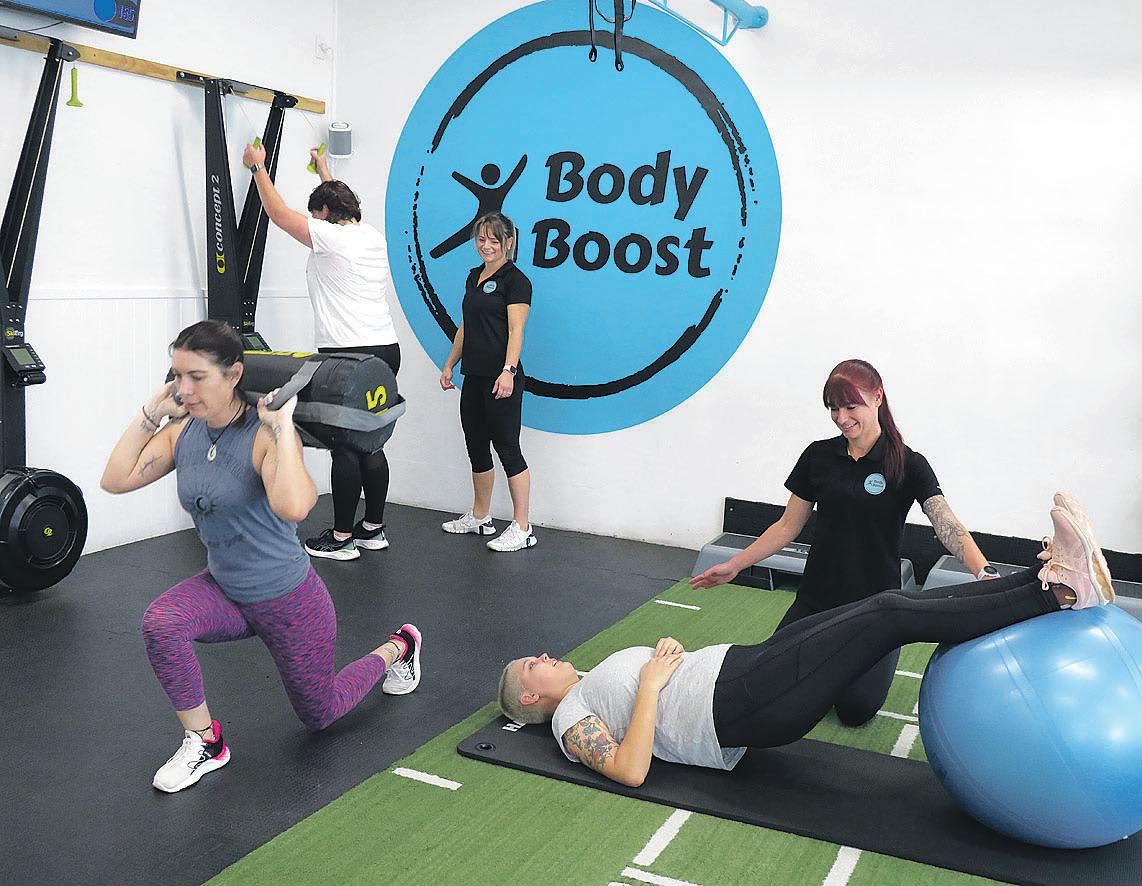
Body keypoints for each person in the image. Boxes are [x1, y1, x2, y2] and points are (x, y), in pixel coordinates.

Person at [500, 495, 1115, 787]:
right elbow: (630, 770)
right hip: (739, 703)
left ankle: (1041, 577)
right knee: (887, 616)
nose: (545, 656)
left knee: (880, 606)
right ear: (530, 698)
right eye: (533, 665)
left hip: (739, 674)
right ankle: (1057, 592)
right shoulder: (569, 719)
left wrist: (662, 662)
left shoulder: (589, 684)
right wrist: (653, 684)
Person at [100, 321, 422, 794]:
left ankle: (399, 647)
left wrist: (283, 428)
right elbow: (115, 479)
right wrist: (152, 411)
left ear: (233, 375)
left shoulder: (263, 436)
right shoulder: (181, 433)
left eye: (196, 377)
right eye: (178, 376)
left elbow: (296, 507)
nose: (183, 389)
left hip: (289, 601)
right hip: (225, 590)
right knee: (162, 622)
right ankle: (205, 741)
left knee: (321, 714)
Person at [691, 358, 997, 727]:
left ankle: (854, 665)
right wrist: (735, 564)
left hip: (875, 609)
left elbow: (947, 525)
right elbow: (787, 526)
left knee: (855, 710)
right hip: (815, 601)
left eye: (851, 406)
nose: (841, 417)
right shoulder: (818, 456)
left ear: (878, 397)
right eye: (833, 408)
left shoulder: (909, 464)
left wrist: (984, 572)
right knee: (766, 687)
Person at [242, 141, 399, 561]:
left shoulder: (329, 236)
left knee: (344, 445)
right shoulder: (368, 235)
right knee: (371, 441)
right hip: (385, 350)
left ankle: (342, 538)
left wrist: (258, 168)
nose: (313, 224)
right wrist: (324, 170)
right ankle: (372, 529)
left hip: (347, 356)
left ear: (325, 214)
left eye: (316, 214)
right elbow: (339, 204)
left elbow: (278, 214)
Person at [438, 211, 536, 552]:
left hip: (502, 378)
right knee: (476, 445)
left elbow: (516, 330)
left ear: (508, 242)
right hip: (474, 376)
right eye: (481, 239)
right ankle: (480, 516)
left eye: (494, 240)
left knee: (508, 448)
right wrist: (450, 364)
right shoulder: (473, 277)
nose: (486, 246)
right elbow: (466, 326)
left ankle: (522, 527)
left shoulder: (516, 281)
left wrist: (508, 371)